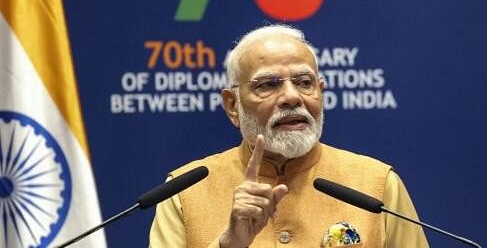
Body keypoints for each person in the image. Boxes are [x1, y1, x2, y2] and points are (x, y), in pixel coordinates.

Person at [149, 25, 428, 247]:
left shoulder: (376, 185)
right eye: (268, 85)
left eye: (304, 83)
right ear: (233, 105)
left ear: (320, 92)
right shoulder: (184, 193)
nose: (292, 97)